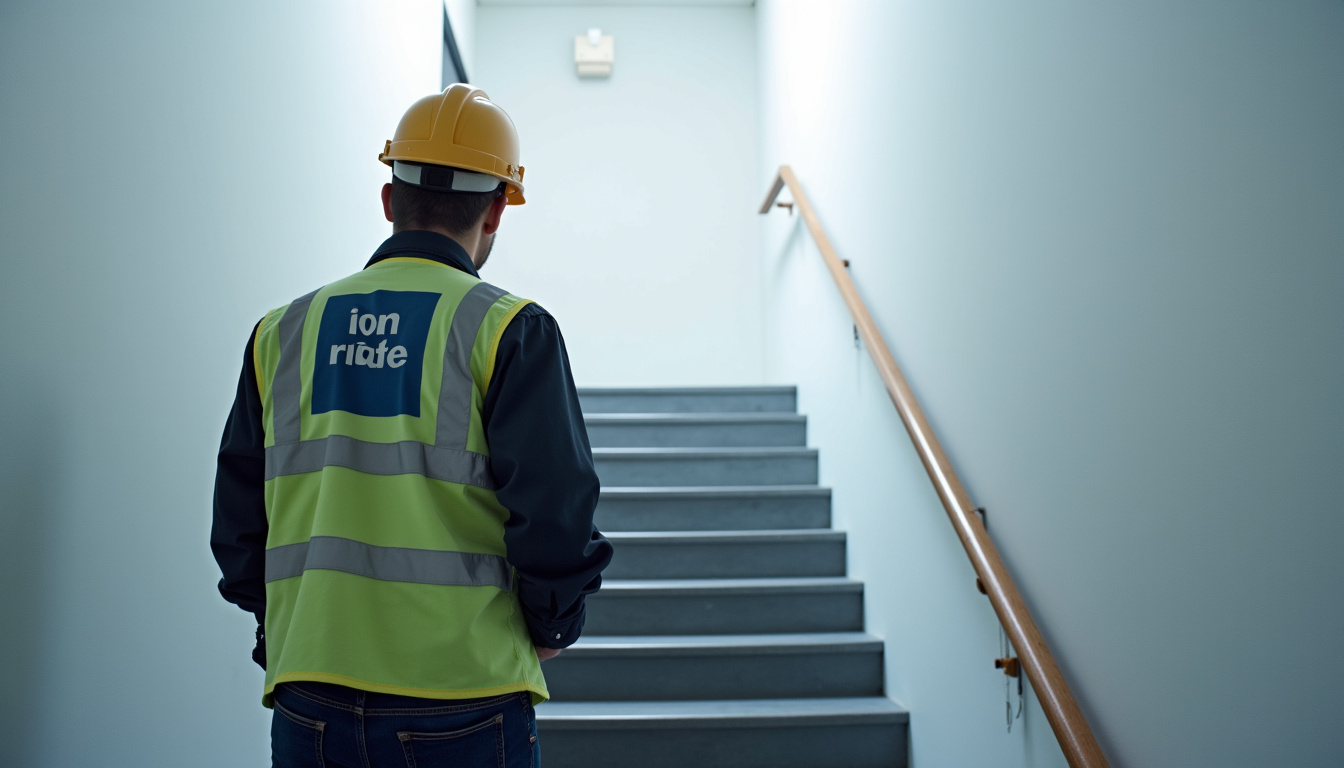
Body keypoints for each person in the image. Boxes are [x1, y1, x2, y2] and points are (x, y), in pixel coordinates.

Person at [211, 84, 612, 768]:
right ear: (495, 211)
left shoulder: (283, 331)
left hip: (309, 694)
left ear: (390, 201)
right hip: (464, 695)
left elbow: (239, 524)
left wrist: (278, 630)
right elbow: (555, 514)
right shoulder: (510, 331)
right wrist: (553, 624)